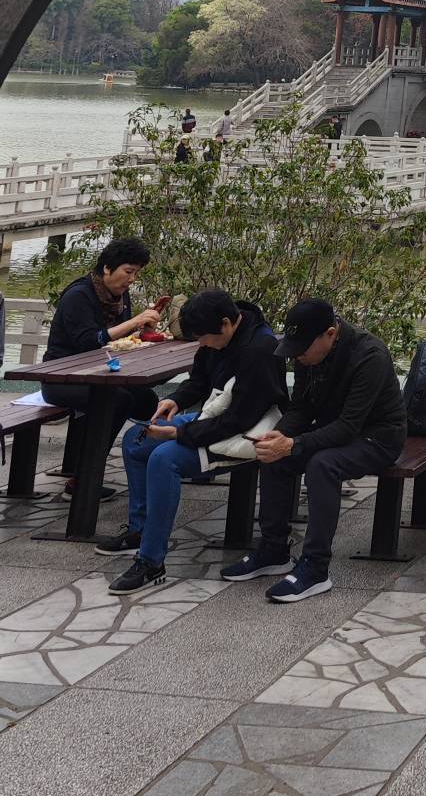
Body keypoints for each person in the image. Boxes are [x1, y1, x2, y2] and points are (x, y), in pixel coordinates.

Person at [97, 289, 286, 593]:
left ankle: (151, 560)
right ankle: (141, 529)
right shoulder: (215, 336)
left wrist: (180, 434)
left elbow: (240, 419)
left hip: (246, 433)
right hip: (213, 417)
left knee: (164, 458)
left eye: (205, 338)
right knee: (136, 440)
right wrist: (175, 401)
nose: (202, 344)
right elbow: (199, 381)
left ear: (226, 323)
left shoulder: (259, 350)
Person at [221, 298, 405, 603]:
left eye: (303, 350)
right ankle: (273, 549)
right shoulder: (306, 352)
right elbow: (303, 408)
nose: (298, 356)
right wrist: (279, 435)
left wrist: (293, 444)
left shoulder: (369, 354)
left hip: (378, 438)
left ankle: (316, 568)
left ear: (330, 334)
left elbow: (348, 427)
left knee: (322, 463)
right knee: (274, 454)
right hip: (334, 429)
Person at [40, 238, 163, 439]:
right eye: (128, 272)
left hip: (101, 372)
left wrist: (144, 331)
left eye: (136, 273)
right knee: (117, 401)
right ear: (107, 268)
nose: (132, 279)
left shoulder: (120, 296)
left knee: (146, 399)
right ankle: (89, 462)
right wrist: (133, 322)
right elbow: (88, 341)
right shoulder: (79, 295)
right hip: (61, 378)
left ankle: (101, 454)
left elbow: (117, 339)